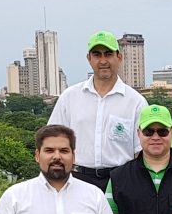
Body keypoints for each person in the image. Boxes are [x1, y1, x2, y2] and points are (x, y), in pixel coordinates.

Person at [48, 30, 148, 192]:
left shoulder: (136, 102)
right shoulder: (70, 97)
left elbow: (141, 151)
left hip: (121, 181)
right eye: (97, 54)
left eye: (108, 54)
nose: (103, 61)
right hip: (77, 179)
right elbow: (52, 141)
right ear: (89, 58)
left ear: (119, 57)